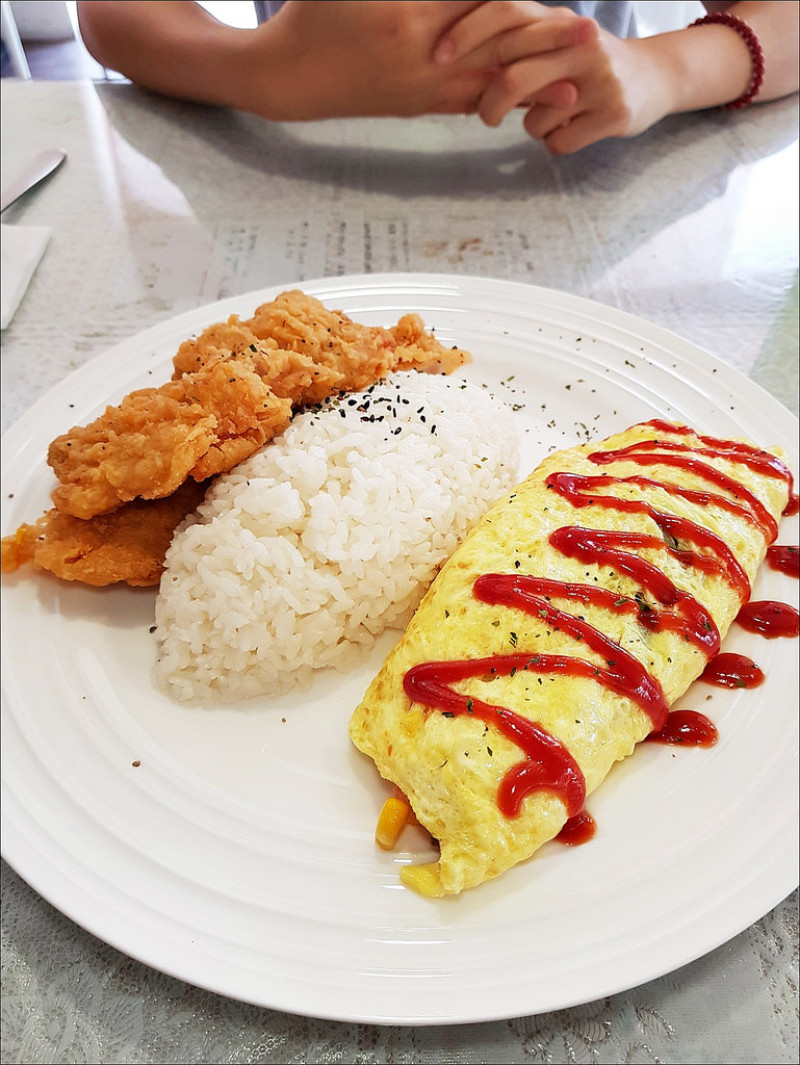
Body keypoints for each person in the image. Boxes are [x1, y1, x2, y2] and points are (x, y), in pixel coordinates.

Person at [77, 1, 798, 154]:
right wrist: (260, 72)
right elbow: (108, 12)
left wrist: (664, 69)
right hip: (276, 166)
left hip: (590, 157)